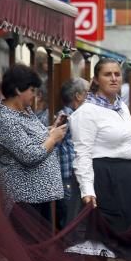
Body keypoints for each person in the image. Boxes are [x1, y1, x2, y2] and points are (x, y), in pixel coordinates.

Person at [70, 58, 131, 261]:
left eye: (117, 74)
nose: (114, 78)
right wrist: (88, 191)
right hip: (102, 183)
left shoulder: (121, 107)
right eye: (108, 74)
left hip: (129, 182)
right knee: (98, 251)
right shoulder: (86, 112)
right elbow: (82, 154)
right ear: (96, 79)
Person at [0, 64, 66, 223]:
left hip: (39, 197)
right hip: (25, 199)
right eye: (32, 90)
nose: (35, 95)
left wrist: (51, 130)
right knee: (28, 246)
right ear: (18, 90)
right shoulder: (7, 120)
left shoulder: (25, 111)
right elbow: (29, 155)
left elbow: (32, 139)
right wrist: (52, 139)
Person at [54, 78, 89, 230]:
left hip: (72, 179)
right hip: (66, 180)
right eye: (88, 93)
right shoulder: (67, 117)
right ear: (78, 96)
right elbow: (53, 147)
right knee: (70, 225)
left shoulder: (77, 116)